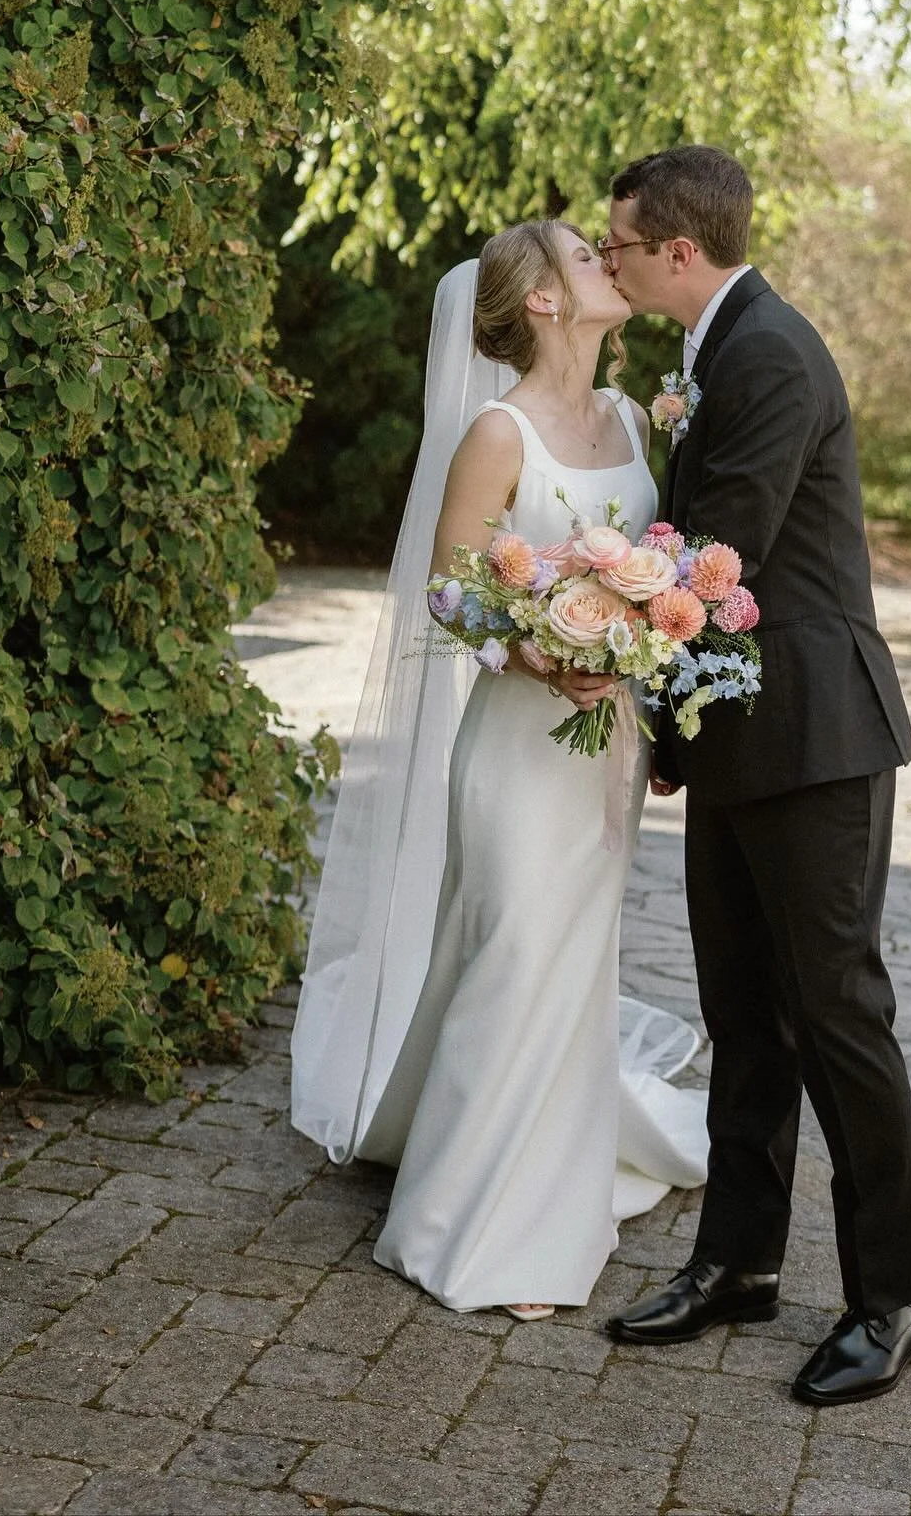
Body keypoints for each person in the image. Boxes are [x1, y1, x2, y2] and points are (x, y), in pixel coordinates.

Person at [290, 220, 707, 1320]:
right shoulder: (496, 431)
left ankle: (547, 1174)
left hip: (605, 743)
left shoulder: (627, 417)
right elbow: (450, 592)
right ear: (543, 303)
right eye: (585, 257)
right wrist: (530, 645)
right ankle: (470, 1219)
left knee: (574, 961)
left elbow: (653, 561)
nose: (606, 263)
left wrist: (638, 637)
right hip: (520, 740)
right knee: (515, 944)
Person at [597, 146, 911, 1405]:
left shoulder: (772, 355)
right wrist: (678, 733)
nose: (613, 261)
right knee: (743, 1012)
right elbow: (707, 565)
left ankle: (890, 1301)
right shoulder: (713, 353)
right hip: (740, 731)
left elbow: (716, 552)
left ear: (678, 252)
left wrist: (605, 641)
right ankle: (737, 1260)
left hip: (817, 738)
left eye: (621, 245)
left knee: (838, 1013)